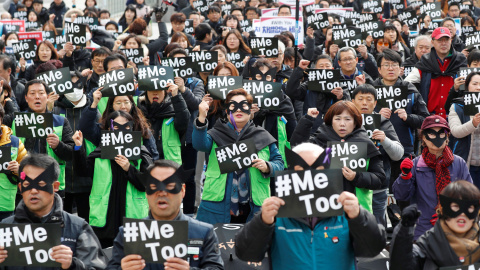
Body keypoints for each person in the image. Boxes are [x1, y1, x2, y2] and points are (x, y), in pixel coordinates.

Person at [234, 143, 386, 269]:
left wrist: (359, 216)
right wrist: (262, 221)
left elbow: (373, 248)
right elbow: (245, 253)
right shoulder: (275, 214)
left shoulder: (346, 211)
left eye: (318, 170)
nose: (310, 175)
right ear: (290, 173)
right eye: (301, 170)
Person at [106, 159, 224, 269]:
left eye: (170, 186)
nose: (161, 193)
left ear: (183, 190)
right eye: (153, 187)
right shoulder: (127, 233)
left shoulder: (204, 233)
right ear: (147, 192)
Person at [0, 154, 108, 269]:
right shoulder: (5, 229)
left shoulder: (77, 227)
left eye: (41, 184)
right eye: (27, 185)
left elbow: (97, 266)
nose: (34, 190)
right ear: (21, 188)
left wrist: (73, 265)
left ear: (55, 186)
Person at [193, 89, 284, 224]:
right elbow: (199, 144)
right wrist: (201, 116)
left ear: (250, 110)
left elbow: (280, 164)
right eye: (233, 106)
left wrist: (267, 166)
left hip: (253, 206)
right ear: (226, 111)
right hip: (217, 205)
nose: (238, 110)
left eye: (243, 105)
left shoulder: (262, 135)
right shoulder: (216, 134)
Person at [73, 110, 153, 248]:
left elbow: (147, 183)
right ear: (109, 129)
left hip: (132, 217)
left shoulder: (141, 151)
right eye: (116, 127)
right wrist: (78, 147)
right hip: (105, 218)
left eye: (126, 127)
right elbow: (82, 171)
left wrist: (129, 169)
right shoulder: (101, 151)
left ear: (132, 127)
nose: (121, 131)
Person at [290, 101, 386, 211]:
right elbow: (296, 149)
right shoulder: (320, 141)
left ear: (355, 122)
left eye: (347, 119)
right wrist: (307, 120)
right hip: (325, 210)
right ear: (331, 121)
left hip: (357, 211)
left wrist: (357, 176)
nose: (342, 124)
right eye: (337, 119)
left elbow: (379, 179)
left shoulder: (365, 144)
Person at [393, 115, 473, 240]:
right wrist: (404, 176)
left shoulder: (459, 164)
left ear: (447, 138)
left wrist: (450, 214)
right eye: (431, 133)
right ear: (423, 139)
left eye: (442, 133)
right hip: (423, 230)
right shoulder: (415, 165)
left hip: (454, 229)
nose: (437, 138)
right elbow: (401, 195)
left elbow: (470, 197)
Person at [390, 181, 480, 269]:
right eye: (455, 206)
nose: (462, 214)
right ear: (443, 209)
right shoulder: (427, 245)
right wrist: (404, 230)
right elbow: (401, 266)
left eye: (469, 208)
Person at [372, 49, 430, 187]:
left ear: (401, 69)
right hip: (375, 151)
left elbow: (425, 120)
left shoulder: (410, 91)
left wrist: (408, 117)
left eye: (394, 65)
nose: (390, 68)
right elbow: (358, 119)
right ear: (379, 70)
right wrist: (376, 117)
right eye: (386, 65)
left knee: (403, 192)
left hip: (405, 151)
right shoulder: (370, 92)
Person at [351, 84, 404, 225]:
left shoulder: (382, 122)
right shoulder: (343, 122)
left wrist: (385, 140)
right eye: (360, 98)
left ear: (375, 103)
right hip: (349, 188)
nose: (364, 103)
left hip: (377, 189)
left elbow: (398, 154)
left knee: (376, 230)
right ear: (352, 102)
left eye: (369, 99)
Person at [11, 79, 74, 197]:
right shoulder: (17, 121)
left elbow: (71, 153)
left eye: (41, 93)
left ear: (47, 96)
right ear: (26, 98)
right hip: (24, 182)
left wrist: (58, 145)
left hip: (52, 183)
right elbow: (10, 150)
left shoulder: (60, 121)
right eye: (32, 93)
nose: (37, 97)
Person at [405, 27, 467, 118]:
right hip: (430, 117)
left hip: (455, 117)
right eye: (439, 40)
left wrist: (458, 88)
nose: (443, 43)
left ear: (451, 40)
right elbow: (407, 84)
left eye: (446, 40)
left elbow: (470, 88)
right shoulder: (425, 61)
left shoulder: (460, 60)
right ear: (432, 42)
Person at [286, 55, 350, 131]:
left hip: (332, 132)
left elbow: (348, 109)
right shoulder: (309, 85)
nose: (324, 69)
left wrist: (340, 98)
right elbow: (291, 92)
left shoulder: (341, 88)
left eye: (327, 66)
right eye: (321, 66)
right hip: (310, 131)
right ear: (315, 69)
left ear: (332, 69)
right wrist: (299, 70)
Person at [448, 71, 480, 188]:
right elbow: (456, 131)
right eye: (475, 84)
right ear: (467, 86)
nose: (478, 87)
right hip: (465, 163)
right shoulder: (457, 106)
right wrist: (473, 123)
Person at [0, 102, 27, 221]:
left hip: (6, 205)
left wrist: (19, 170)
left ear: (1, 119)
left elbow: (27, 174)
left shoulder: (15, 142)